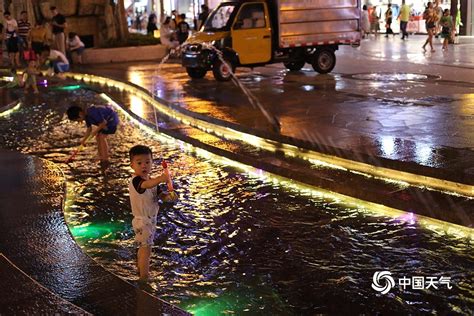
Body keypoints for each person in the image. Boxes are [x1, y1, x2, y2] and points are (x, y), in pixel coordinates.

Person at [128, 145, 171, 283]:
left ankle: (141, 269)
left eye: (147, 162)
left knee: (145, 247)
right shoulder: (136, 181)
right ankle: (144, 277)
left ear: (152, 163)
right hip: (143, 221)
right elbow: (146, 185)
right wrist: (161, 178)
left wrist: (170, 196)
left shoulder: (151, 181)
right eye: (139, 163)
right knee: (146, 249)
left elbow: (161, 195)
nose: (144, 165)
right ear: (132, 165)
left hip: (150, 220)